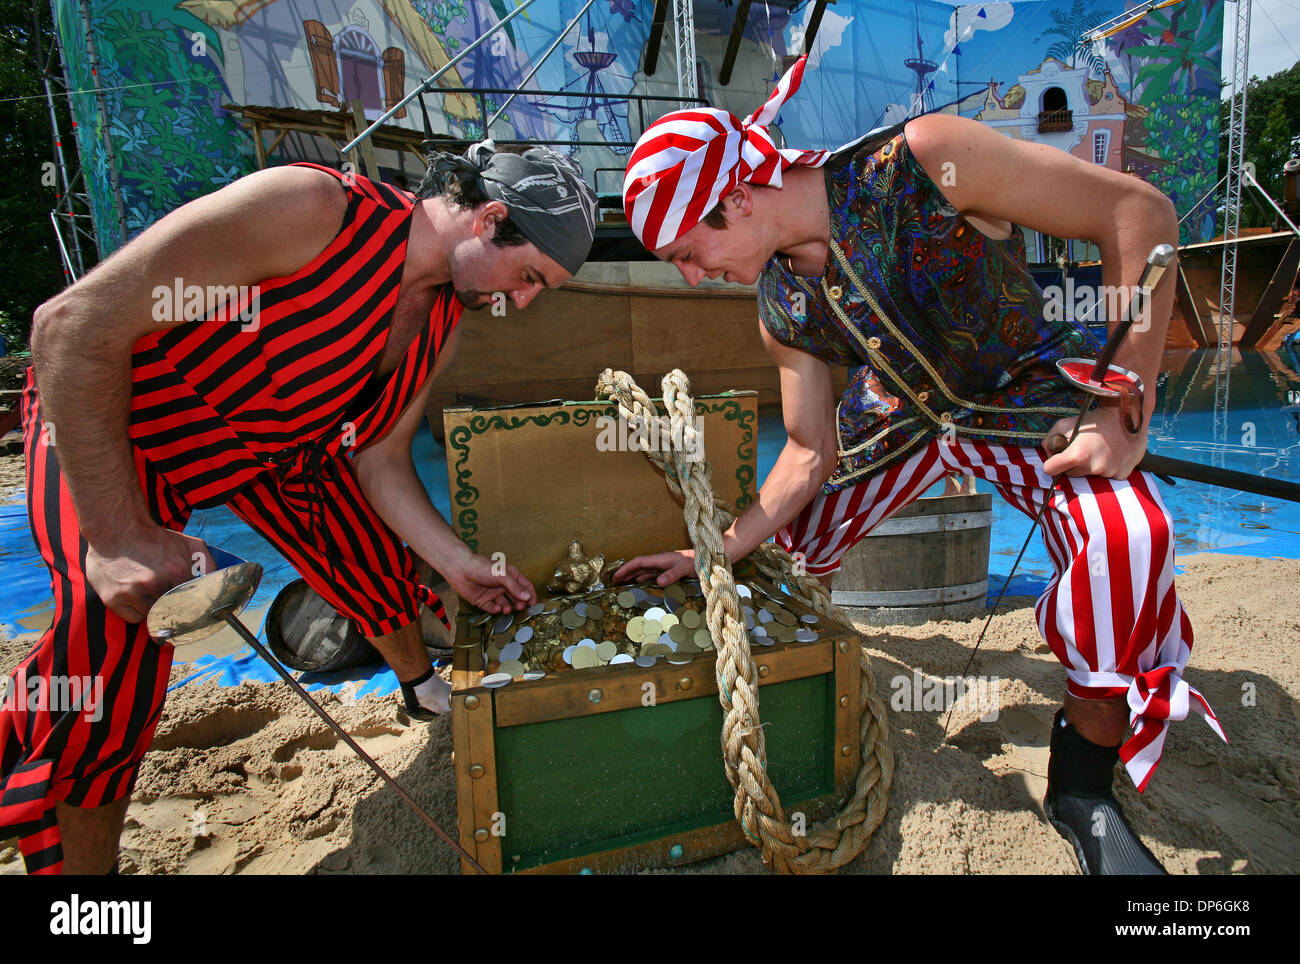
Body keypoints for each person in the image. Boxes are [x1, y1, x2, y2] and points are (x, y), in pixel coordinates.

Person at [615, 56, 1224, 874]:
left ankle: (1083, 790)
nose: (693, 275)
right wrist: (719, 550)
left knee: (1130, 542)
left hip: (1026, 394)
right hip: (897, 418)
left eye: (689, 251)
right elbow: (806, 451)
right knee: (782, 568)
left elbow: (1139, 213)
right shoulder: (778, 306)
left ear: (733, 199)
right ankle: (788, 710)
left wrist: (1124, 408)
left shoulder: (923, 158)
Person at [0, 141, 598, 874]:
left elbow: (377, 459)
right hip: (114, 435)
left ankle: (417, 687)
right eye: (531, 276)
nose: (525, 300)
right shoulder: (311, 209)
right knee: (109, 664)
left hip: (271, 449)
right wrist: (118, 533)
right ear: (490, 219)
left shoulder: (444, 315)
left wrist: (458, 564)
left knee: (370, 552)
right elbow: (70, 326)